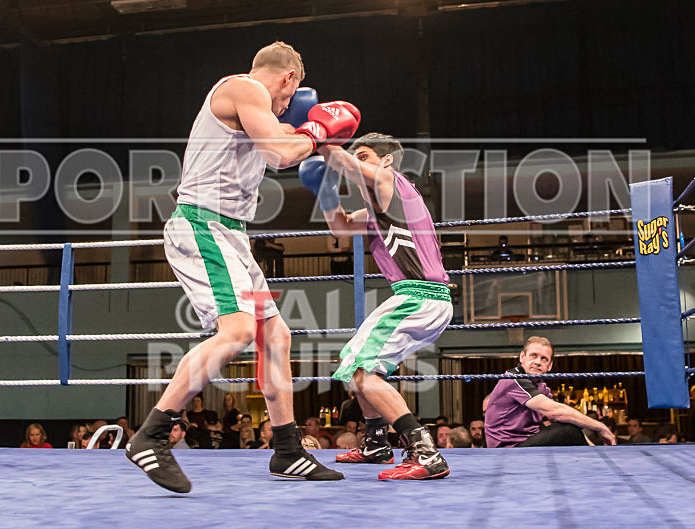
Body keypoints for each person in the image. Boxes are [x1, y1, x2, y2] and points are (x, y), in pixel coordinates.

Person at [125, 41, 359, 492]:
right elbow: (279, 154)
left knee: (277, 335)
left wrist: (315, 140)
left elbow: (286, 147)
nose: (287, 105)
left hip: (232, 233)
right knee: (236, 333)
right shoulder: (244, 88)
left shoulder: (256, 108)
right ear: (288, 78)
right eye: (289, 98)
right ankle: (151, 435)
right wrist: (315, 131)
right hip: (202, 224)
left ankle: (288, 451)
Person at [299, 133, 452, 480]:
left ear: (386, 160)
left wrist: (318, 139)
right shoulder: (375, 209)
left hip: (420, 296)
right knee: (355, 363)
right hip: (413, 297)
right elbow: (338, 228)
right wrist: (324, 190)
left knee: (365, 373)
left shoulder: (392, 182)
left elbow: (347, 165)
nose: (361, 162)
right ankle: (376, 442)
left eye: (366, 155)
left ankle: (425, 453)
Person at [484, 336, 616, 447]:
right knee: (568, 431)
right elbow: (556, 412)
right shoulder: (514, 378)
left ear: (550, 366)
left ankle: (597, 455)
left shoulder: (541, 387)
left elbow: (561, 418)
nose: (537, 362)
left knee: (568, 426)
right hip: (506, 450)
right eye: (533, 356)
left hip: (526, 444)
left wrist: (594, 447)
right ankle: (597, 460)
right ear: (522, 357)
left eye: (544, 359)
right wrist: (601, 427)